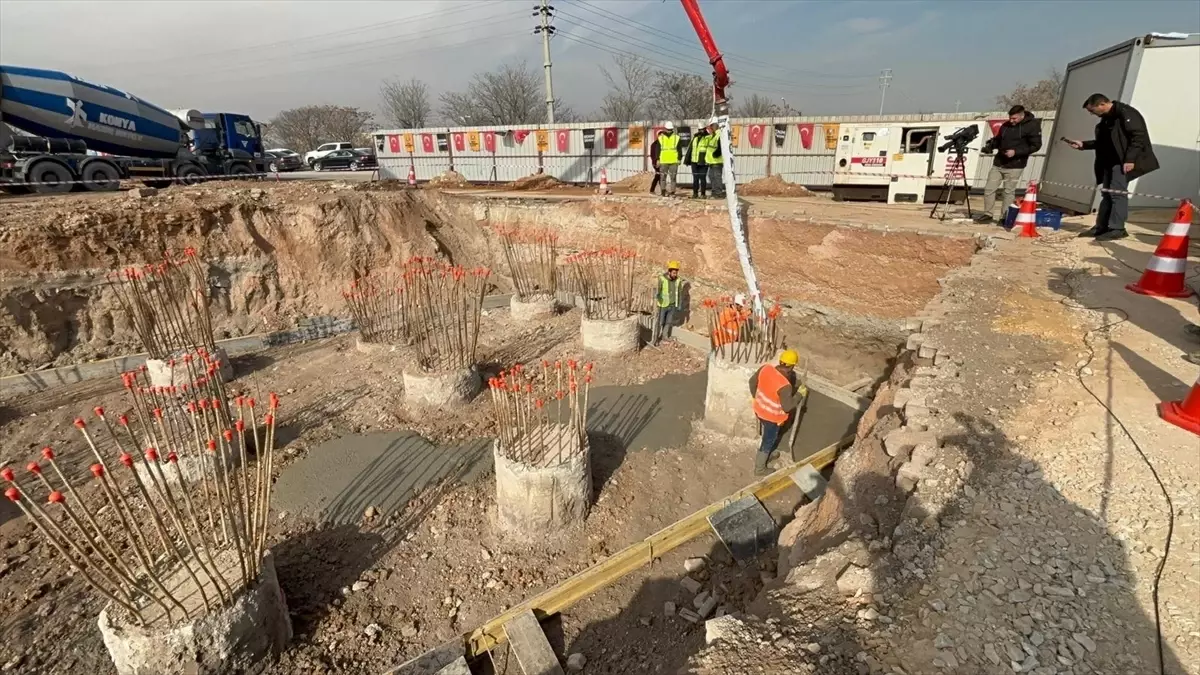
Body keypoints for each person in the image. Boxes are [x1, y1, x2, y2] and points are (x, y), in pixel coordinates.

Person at [1064, 93, 1159, 241]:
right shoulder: (1106, 120)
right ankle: (1101, 227)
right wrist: (1084, 145)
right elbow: (1105, 143)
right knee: (1107, 194)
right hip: (1108, 161)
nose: (1091, 114)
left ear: (1102, 105)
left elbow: (1138, 137)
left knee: (1117, 194)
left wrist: (1130, 159)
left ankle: (1117, 228)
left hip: (1122, 162)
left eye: (1092, 110)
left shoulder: (1126, 114)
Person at [974, 105, 1042, 224]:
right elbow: (999, 139)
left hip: (1016, 165)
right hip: (999, 162)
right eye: (1010, 118)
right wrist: (991, 145)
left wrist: (1016, 152)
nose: (1011, 121)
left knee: (1008, 192)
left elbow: (1036, 146)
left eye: (1014, 119)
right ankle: (988, 214)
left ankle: (1005, 217)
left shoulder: (1032, 126)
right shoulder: (1005, 126)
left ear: (1022, 115)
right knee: (989, 189)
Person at [748, 349, 807, 475]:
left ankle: (768, 453)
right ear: (792, 366)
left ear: (781, 361)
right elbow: (788, 406)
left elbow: (752, 382)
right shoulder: (785, 385)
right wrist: (799, 395)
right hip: (772, 417)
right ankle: (760, 468)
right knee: (768, 440)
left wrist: (756, 396)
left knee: (767, 436)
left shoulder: (765, 369)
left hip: (759, 409)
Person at [653, 260, 684, 345]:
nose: (675, 274)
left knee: (668, 322)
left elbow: (680, 293)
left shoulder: (678, 281)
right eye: (674, 273)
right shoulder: (662, 279)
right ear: (669, 272)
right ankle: (655, 338)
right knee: (660, 322)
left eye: (676, 273)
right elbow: (658, 290)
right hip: (663, 305)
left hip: (673, 305)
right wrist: (657, 295)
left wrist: (679, 304)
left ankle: (664, 336)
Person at [657, 121, 681, 197]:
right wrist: (658, 159)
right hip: (664, 161)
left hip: (673, 161)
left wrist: (679, 158)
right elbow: (658, 149)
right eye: (668, 129)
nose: (669, 131)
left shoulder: (676, 138)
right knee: (663, 177)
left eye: (669, 129)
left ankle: (672, 192)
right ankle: (663, 192)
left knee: (672, 178)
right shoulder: (661, 138)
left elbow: (679, 149)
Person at [704, 118, 726, 199]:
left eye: (710, 127)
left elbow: (721, 147)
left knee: (717, 177)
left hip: (717, 161)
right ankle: (714, 192)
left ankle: (718, 193)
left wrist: (716, 154)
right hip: (711, 161)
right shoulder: (712, 135)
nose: (709, 128)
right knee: (711, 176)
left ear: (715, 126)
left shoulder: (719, 134)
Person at [686, 126, 709, 198]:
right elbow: (690, 149)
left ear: (705, 129)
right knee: (695, 178)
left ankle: (703, 194)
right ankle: (695, 193)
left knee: (702, 178)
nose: (701, 131)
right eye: (699, 130)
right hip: (694, 161)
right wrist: (687, 160)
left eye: (702, 130)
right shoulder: (695, 138)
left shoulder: (707, 138)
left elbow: (709, 150)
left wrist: (708, 160)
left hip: (703, 162)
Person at [648, 130, 664, 195]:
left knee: (659, 176)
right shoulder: (654, 144)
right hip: (656, 163)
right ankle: (660, 190)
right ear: (658, 136)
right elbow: (653, 155)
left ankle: (654, 190)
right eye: (661, 135)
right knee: (659, 176)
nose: (662, 137)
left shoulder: (664, 144)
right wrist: (656, 162)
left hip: (663, 162)